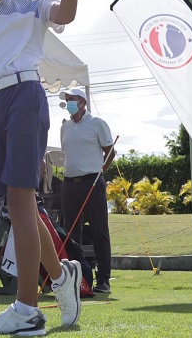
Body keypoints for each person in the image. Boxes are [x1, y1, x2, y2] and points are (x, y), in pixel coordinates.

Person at [0, 0, 87, 335]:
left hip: (24, 94)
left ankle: (27, 311)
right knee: (18, 203)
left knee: (20, 200)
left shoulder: (37, 2)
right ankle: (61, 275)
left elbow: (66, 13)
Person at [59, 88, 114, 293]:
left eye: (71, 99)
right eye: (66, 100)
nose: (68, 103)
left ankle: (103, 280)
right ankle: (79, 279)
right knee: (71, 233)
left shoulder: (97, 123)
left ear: (82, 102)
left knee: (100, 232)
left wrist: (99, 173)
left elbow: (110, 153)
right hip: (69, 185)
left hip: (92, 183)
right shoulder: (65, 127)